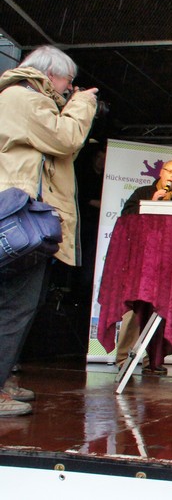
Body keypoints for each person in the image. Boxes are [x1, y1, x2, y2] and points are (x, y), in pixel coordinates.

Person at [0, 45, 98, 417]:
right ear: (49, 74)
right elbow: (66, 139)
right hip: (20, 217)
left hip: (25, 217)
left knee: (23, 303)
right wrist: (82, 104)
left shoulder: (24, 99)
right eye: (67, 81)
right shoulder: (23, 98)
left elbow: (61, 153)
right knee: (15, 305)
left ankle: (3, 379)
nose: (69, 88)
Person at [115, 160, 172, 374]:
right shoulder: (142, 192)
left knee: (161, 312)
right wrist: (151, 203)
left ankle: (153, 360)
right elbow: (126, 218)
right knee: (135, 310)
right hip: (142, 262)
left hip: (169, 265)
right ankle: (123, 358)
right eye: (169, 171)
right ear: (161, 172)